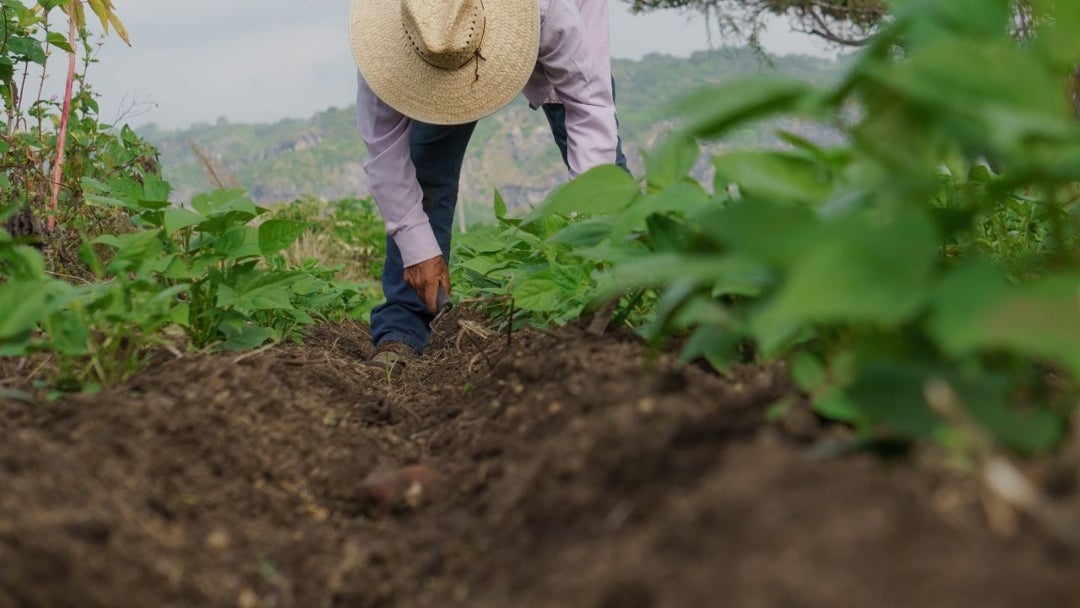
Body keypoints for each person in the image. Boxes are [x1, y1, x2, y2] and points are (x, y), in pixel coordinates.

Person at [349, 0, 627, 373]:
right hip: (436, 51)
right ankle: (404, 324)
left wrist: (592, 228)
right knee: (423, 164)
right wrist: (418, 249)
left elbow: (590, 105)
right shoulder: (391, 36)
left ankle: (635, 287)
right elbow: (384, 150)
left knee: (606, 178)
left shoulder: (549, 9)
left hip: (559, 26)